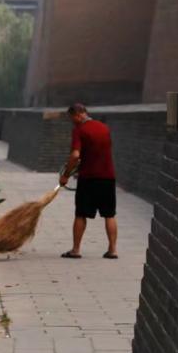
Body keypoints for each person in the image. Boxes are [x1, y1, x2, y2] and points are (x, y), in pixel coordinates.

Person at [59, 102, 119, 259]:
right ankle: (112, 250)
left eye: (72, 118)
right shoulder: (104, 127)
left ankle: (76, 250)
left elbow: (75, 155)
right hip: (108, 177)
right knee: (109, 214)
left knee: (81, 214)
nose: (72, 121)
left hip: (88, 179)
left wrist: (66, 174)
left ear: (78, 114)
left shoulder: (79, 130)